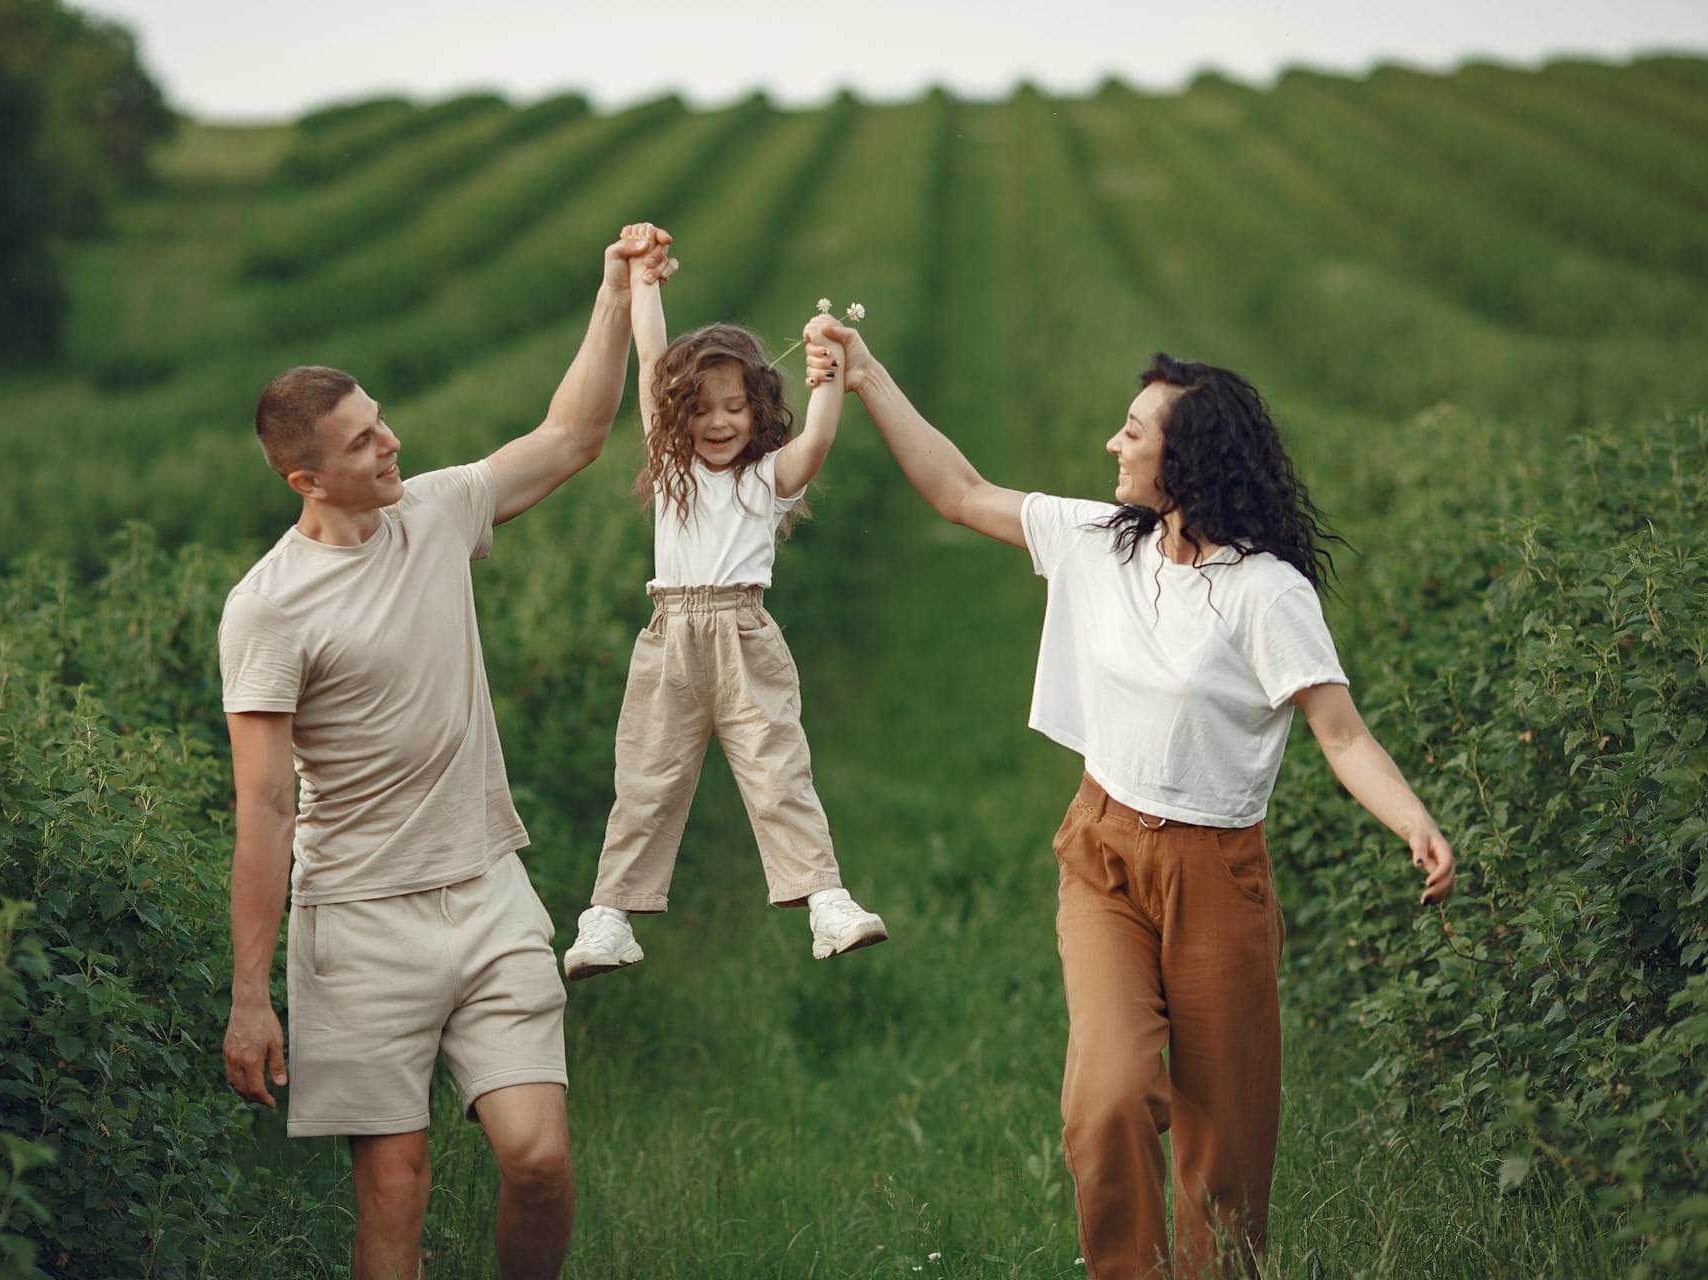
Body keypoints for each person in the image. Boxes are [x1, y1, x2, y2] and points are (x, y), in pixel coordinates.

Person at [804, 326, 1458, 1279]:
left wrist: (1414, 821)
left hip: (1217, 876)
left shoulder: (1266, 594)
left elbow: (1341, 733)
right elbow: (960, 492)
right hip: (1104, 855)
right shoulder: (1099, 545)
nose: (1114, 443)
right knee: (1105, 1100)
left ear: (1186, 461)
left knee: (1225, 1161)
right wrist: (866, 375)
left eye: (1133, 432)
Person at [218, 224, 676, 1280]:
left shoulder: (435, 511)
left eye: (380, 420)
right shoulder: (268, 610)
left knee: (539, 1159)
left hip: (485, 889)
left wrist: (614, 292)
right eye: (361, 443)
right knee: (396, 1189)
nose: (391, 444)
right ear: (306, 478)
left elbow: (571, 436)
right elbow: (266, 812)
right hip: (357, 923)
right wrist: (250, 996)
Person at [560, 242, 887, 980]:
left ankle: (825, 900)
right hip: (671, 634)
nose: (718, 422)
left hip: (745, 633)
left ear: (759, 412)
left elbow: (819, 438)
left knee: (778, 771)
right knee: (646, 777)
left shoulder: (767, 477)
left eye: (735, 408)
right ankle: (609, 915)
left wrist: (829, 367)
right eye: (702, 409)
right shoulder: (672, 469)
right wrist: (643, 280)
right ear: (678, 416)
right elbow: (652, 362)